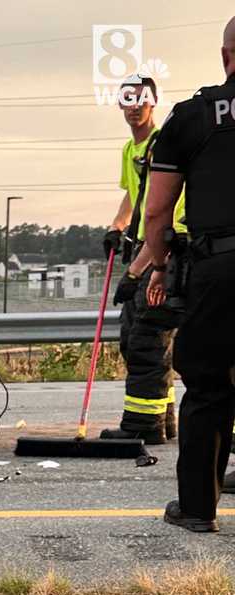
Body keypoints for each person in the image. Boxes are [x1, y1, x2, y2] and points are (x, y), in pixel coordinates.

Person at [144, 16, 235, 532]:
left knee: (207, 387)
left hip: (219, 269)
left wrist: (160, 267)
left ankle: (198, 510)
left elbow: (157, 212)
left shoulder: (193, 117)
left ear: (226, 56)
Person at [99, 75, 187, 445]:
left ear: (154, 102)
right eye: (128, 100)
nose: (134, 107)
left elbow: (160, 213)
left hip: (164, 247)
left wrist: (135, 273)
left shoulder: (160, 146)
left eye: (141, 100)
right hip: (143, 246)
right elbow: (133, 197)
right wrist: (116, 227)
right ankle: (163, 418)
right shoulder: (129, 151)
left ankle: (143, 426)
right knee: (140, 339)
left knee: (146, 338)